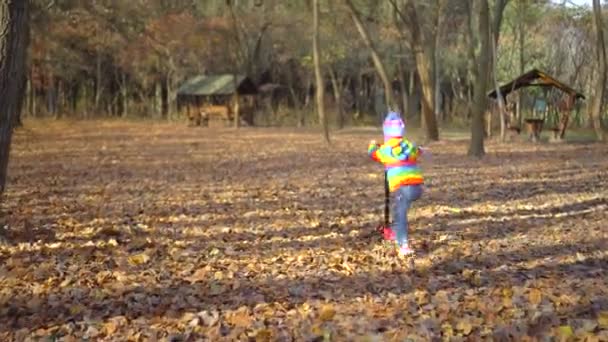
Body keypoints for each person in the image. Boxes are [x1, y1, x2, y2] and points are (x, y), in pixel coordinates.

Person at [367, 111, 425, 257]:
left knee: (400, 215)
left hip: (403, 187)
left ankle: (403, 245)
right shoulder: (408, 146)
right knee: (398, 209)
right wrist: (420, 150)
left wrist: (372, 145)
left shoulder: (385, 150)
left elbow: (373, 154)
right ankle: (395, 233)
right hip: (417, 187)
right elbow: (417, 151)